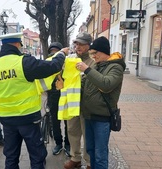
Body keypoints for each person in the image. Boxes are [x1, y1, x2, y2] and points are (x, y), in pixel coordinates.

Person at [0, 32, 69, 169]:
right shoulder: (24, 62)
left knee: (11, 157)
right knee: (37, 156)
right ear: (17, 44)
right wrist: (61, 54)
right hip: (28, 119)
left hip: (7, 120)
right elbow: (53, 66)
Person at [76, 36, 126, 169]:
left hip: (102, 118)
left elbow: (106, 84)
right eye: (91, 54)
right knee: (91, 150)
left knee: (100, 154)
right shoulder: (97, 66)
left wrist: (87, 69)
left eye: (94, 53)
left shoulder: (116, 67)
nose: (93, 56)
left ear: (103, 51)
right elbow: (85, 85)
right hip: (89, 116)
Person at [63, 32, 93, 169]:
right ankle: (75, 158)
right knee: (72, 130)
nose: (78, 46)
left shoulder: (92, 61)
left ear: (88, 45)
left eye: (81, 44)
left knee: (87, 133)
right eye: (76, 43)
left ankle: (89, 161)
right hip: (72, 103)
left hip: (86, 104)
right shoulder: (71, 59)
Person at [46, 42, 70, 156]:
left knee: (68, 122)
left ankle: (68, 144)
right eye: (52, 52)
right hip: (53, 98)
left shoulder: (67, 64)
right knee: (55, 123)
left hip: (66, 97)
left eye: (56, 51)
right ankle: (58, 143)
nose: (53, 54)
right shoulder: (47, 63)